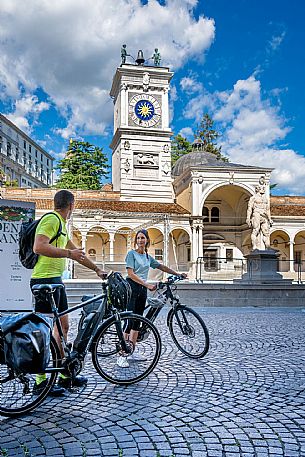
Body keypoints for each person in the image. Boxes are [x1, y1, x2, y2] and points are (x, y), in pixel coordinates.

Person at [31, 189, 106, 395]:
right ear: (72, 205)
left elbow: (78, 255)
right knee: (45, 331)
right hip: (44, 281)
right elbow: (39, 246)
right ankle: (40, 381)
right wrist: (67, 253)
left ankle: (64, 374)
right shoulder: (52, 220)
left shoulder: (61, 226)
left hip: (55, 282)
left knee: (63, 327)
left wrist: (98, 270)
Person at [117, 228, 186, 368]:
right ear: (136, 241)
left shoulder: (148, 257)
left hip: (142, 289)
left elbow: (161, 266)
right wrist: (147, 284)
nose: (140, 240)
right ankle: (122, 355)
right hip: (131, 287)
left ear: (147, 240)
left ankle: (132, 350)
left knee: (138, 320)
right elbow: (130, 274)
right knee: (129, 322)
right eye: (138, 238)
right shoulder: (131, 254)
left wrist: (178, 274)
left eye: (143, 238)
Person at [246, 184, 273, 250]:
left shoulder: (265, 199)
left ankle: (267, 247)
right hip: (256, 214)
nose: (263, 189)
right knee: (256, 230)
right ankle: (254, 247)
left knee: (266, 232)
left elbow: (267, 210)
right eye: (262, 188)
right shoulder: (253, 198)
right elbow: (249, 208)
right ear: (257, 189)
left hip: (264, 215)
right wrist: (248, 218)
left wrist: (270, 219)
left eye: (264, 188)